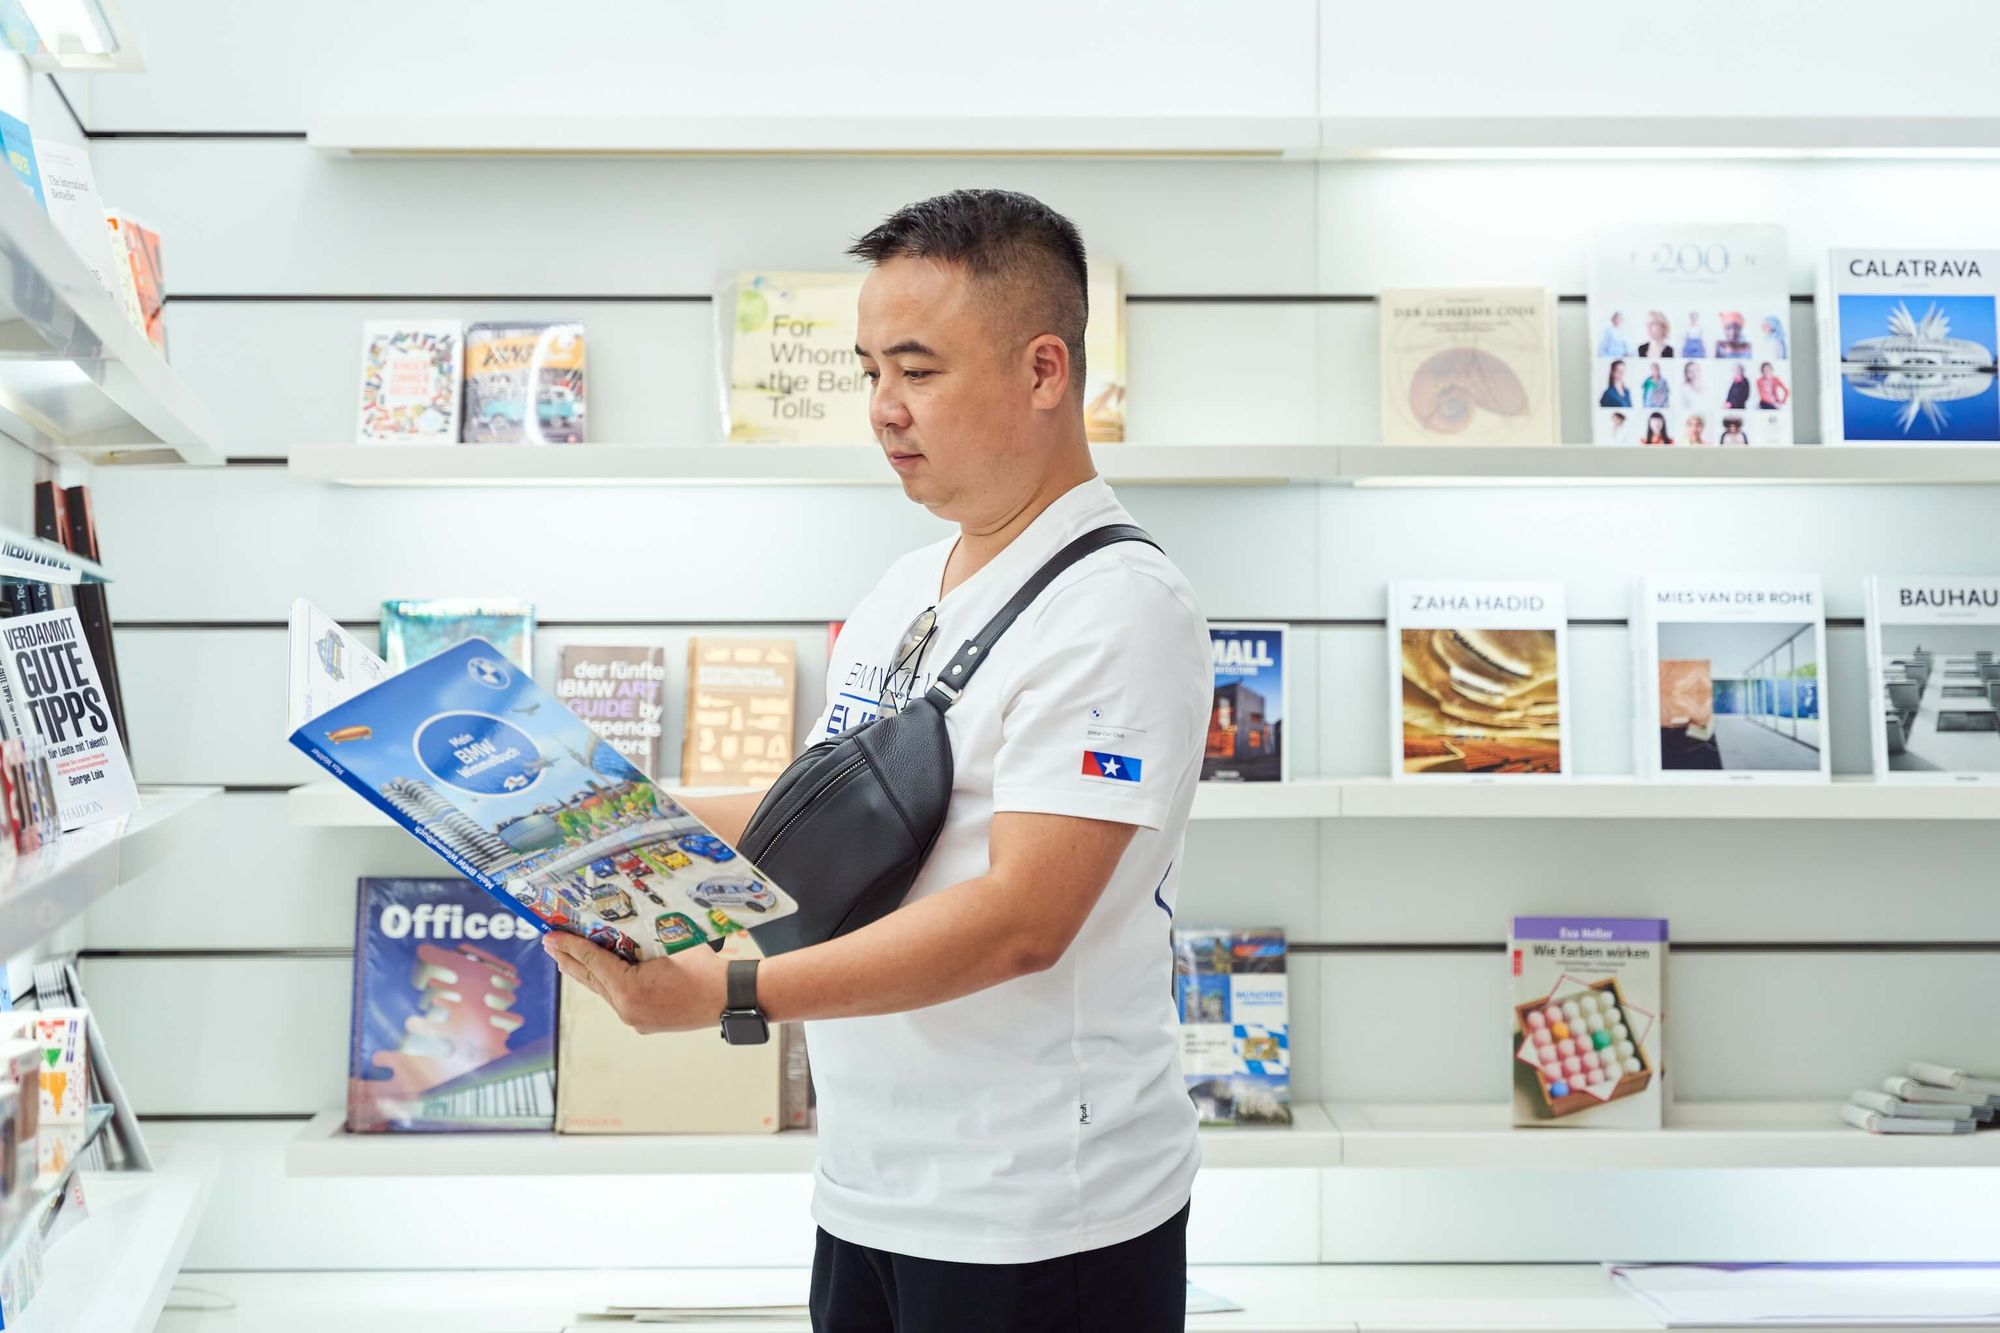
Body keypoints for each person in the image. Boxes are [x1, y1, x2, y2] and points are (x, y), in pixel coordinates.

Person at [544, 190, 1207, 1333]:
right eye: (868, 371)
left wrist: (727, 993)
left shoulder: (1117, 607)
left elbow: (1020, 920)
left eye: (918, 370)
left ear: (1043, 370)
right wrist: (592, 812)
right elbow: (816, 818)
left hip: (1039, 1215)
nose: (882, 409)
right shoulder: (906, 587)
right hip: (871, 1184)